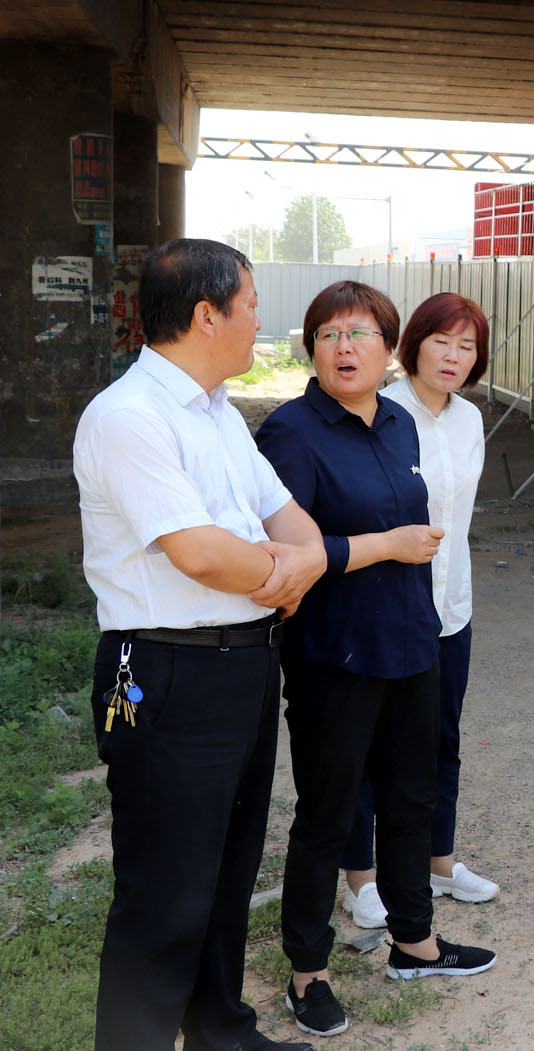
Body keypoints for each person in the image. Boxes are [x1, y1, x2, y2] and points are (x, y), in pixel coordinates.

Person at [73, 238, 326, 1051]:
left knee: (225, 873)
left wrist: (305, 560)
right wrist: (289, 573)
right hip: (168, 670)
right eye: (250, 304)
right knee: (163, 893)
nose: (261, 320)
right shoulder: (128, 416)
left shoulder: (218, 413)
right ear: (207, 314)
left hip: (245, 661)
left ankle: (222, 1032)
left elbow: (291, 519)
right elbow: (200, 552)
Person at [255, 281, 494, 1039]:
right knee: (327, 814)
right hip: (335, 652)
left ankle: (415, 943)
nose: (344, 347)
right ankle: (308, 971)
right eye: (328, 334)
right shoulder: (291, 432)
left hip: (413, 640)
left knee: (411, 797)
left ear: (388, 347)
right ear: (311, 348)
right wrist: (387, 546)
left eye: (360, 333)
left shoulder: (398, 423)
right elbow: (284, 551)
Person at [337, 292, 497, 929]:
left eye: (467, 346)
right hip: (386, 609)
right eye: (441, 342)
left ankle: (439, 861)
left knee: (440, 741)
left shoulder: (469, 420)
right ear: (412, 346)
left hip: (449, 607)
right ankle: (361, 879)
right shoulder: (380, 413)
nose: (453, 357)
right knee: (369, 747)